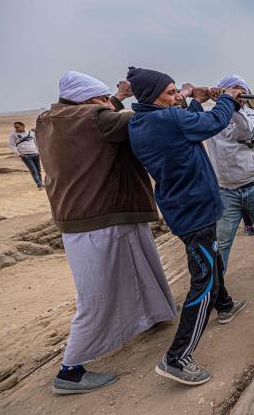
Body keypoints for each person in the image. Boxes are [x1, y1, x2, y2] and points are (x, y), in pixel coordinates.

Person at [36, 70, 176, 394]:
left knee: (140, 265)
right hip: (101, 217)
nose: (105, 105)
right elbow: (129, 121)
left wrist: (116, 97)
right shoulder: (96, 118)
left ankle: (154, 316)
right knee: (96, 296)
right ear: (88, 101)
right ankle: (69, 372)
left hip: (82, 217)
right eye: (101, 101)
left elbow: (95, 116)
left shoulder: (50, 119)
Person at [127, 66, 247, 386]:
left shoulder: (142, 121)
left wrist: (194, 100)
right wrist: (228, 100)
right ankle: (177, 357)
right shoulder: (169, 120)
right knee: (203, 280)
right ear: (153, 97)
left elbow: (184, 126)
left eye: (175, 89)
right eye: (170, 92)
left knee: (212, 256)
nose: (176, 95)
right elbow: (212, 123)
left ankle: (225, 305)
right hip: (196, 211)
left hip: (184, 207)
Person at [205, 74, 254, 273]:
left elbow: (245, 133)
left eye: (242, 92)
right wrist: (222, 103)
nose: (239, 95)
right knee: (222, 239)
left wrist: (233, 107)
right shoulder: (212, 115)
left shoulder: (252, 115)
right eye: (234, 90)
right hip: (226, 189)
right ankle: (218, 280)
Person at [8, 121, 43, 189]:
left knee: (38, 170)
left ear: (23, 126)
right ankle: (39, 185)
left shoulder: (31, 133)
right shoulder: (13, 134)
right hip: (25, 155)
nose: (16, 128)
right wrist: (19, 154)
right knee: (33, 170)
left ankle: (41, 183)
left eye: (17, 127)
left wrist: (38, 151)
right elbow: (11, 144)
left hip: (35, 154)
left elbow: (36, 142)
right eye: (15, 127)